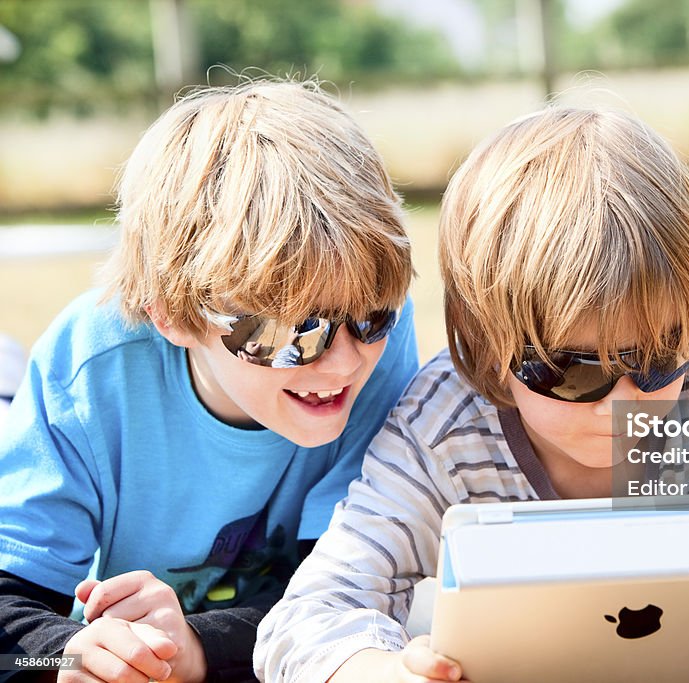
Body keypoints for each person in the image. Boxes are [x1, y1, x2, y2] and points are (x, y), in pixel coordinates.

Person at [253, 108, 689, 683]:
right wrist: (381, 672)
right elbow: (308, 617)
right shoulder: (443, 425)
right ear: (484, 349)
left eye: (654, 359)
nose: (622, 405)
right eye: (572, 372)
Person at [0, 78, 418, 683]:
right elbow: (12, 627)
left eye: (371, 315)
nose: (344, 363)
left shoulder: (387, 350)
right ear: (170, 315)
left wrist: (200, 646)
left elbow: (361, 599)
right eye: (288, 335)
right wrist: (67, 655)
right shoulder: (90, 368)